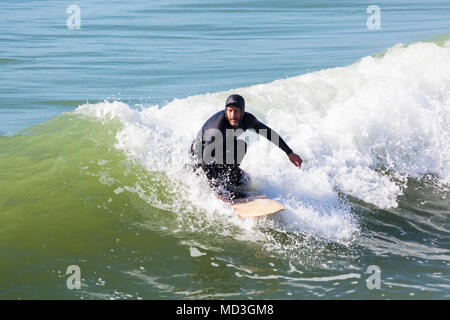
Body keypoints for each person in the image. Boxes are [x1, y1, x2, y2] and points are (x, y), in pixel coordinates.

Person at [188, 94, 302, 202]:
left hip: (218, 153)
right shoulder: (217, 126)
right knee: (218, 178)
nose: (233, 115)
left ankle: (230, 176)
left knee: (241, 147)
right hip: (200, 159)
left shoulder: (248, 120)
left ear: (242, 111)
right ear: (225, 111)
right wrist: (218, 191)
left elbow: (269, 133)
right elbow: (204, 160)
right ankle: (224, 184)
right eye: (230, 111)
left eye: (236, 111)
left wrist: (289, 153)